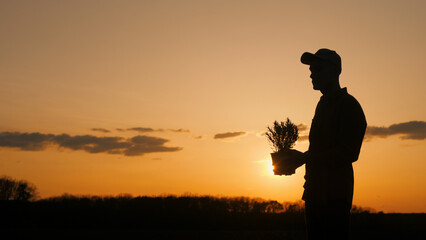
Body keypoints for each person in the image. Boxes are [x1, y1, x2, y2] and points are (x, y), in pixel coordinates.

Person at [280, 48, 367, 239]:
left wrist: (304, 158)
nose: (312, 74)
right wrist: (296, 160)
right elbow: (319, 150)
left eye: (318, 69)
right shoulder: (322, 104)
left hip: (334, 195)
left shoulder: (348, 105)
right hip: (314, 192)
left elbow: (348, 153)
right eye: (311, 71)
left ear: (335, 71)